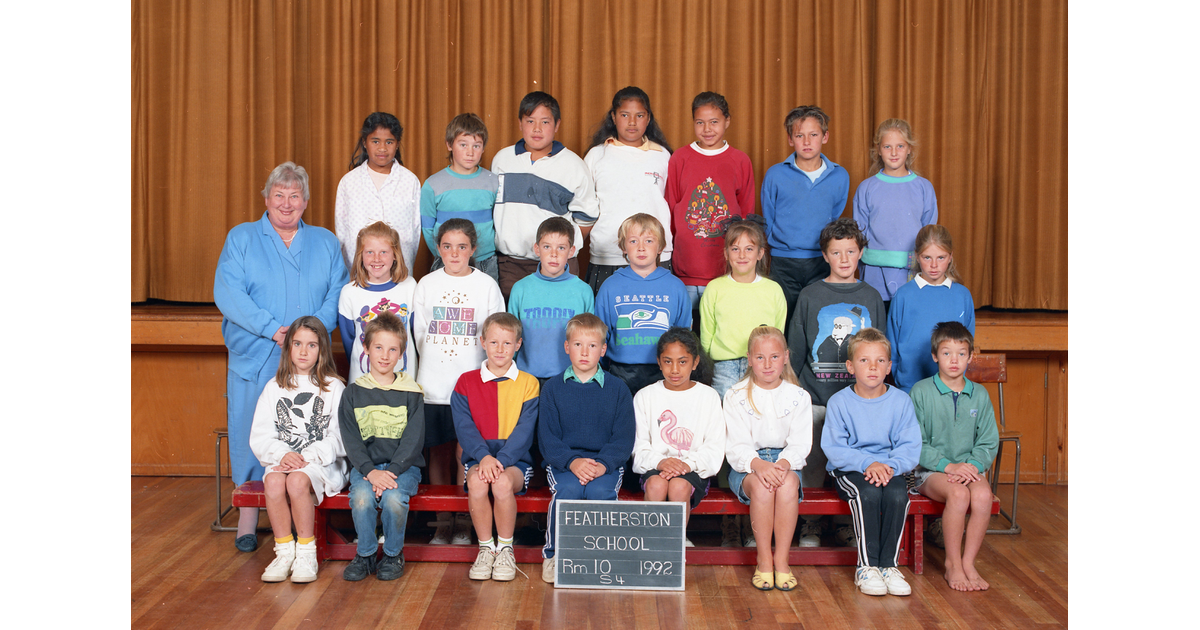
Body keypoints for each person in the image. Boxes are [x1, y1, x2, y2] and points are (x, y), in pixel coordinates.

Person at [214, 161, 349, 551]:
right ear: (266, 198)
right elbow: (229, 292)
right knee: (250, 429)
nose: (286, 204)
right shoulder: (241, 238)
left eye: (294, 196)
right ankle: (250, 511)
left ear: (306, 201)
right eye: (279, 195)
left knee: (310, 428)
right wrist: (272, 329)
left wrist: (307, 334)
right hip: (258, 350)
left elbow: (336, 293)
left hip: (308, 356)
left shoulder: (324, 242)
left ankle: (304, 512)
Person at [786, 218, 885, 547]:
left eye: (851, 251)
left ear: (861, 254)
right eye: (836, 252)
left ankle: (845, 523)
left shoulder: (871, 297)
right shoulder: (810, 295)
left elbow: (881, 349)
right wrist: (798, 395)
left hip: (858, 400)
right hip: (815, 397)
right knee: (813, 465)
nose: (844, 259)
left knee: (851, 465)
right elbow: (796, 349)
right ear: (825, 255)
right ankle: (810, 524)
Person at [413, 218, 505, 544]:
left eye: (462, 247)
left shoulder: (486, 286)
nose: (454, 253)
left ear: (473, 250)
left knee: (466, 452)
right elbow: (419, 333)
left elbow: (495, 337)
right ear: (438, 249)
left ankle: (466, 518)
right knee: (437, 453)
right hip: (433, 383)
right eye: (448, 247)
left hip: (471, 387)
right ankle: (443, 521)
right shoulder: (426, 284)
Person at [822, 328, 922, 597]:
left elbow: (910, 448)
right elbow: (834, 449)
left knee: (898, 493)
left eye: (880, 361)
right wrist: (868, 463)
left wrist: (889, 466)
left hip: (889, 468)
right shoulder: (839, 402)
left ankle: (889, 565)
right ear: (850, 366)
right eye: (864, 360)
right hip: (850, 468)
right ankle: (866, 566)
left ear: (889, 367)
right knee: (867, 493)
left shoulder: (901, 401)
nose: (873, 367)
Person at [538, 313, 636, 584]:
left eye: (592, 346)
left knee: (600, 491)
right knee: (567, 490)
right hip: (565, 463)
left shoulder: (618, 389)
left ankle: (604, 556)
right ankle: (554, 555)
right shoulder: (553, 388)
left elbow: (624, 438)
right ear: (567, 347)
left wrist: (603, 464)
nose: (585, 352)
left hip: (604, 463)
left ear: (603, 350)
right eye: (578, 344)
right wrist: (572, 462)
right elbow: (548, 438)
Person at [250, 316, 347, 583]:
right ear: (288, 348)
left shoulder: (332, 386)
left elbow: (340, 436)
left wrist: (307, 456)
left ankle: (306, 552)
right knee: (272, 482)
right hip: (285, 459)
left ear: (322, 350)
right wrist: (283, 455)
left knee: (296, 482)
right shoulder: (274, 388)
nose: (304, 351)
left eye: (312, 345)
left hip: (322, 463)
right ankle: (284, 552)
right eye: (297, 344)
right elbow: (260, 435)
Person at [450, 313, 540, 581]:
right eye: (494, 342)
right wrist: (483, 458)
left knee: (500, 484)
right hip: (479, 459)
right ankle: (486, 549)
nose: (500, 349)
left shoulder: (529, 383)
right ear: (482, 342)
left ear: (518, 345)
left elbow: (525, 431)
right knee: (478, 483)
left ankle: (505, 550)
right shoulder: (465, 382)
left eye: (507, 343)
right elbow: (464, 428)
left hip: (514, 462)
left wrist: (500, 460)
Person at [910, 322, 999, 592]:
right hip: (931, 471)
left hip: (969, 469)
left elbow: (988, 441)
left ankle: (969, 562)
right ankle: (952, 564)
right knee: (959, 495)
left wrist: (971, 466)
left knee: (983, 495)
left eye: (961, 354)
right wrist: (948, 466)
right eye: (947, 353)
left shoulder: (980, 395)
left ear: (970, 357)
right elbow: (915, 442)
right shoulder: (921, 391)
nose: (954, 360)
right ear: (935, 356)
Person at [724, 326, 813, 592]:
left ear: (786, 356)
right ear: (749, 358)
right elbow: (736, 444)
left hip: (787, 462)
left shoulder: (799, 397)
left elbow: (800, 443)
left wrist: (782, 464)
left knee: (786, 486)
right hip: (748, 464)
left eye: (774, 356)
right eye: (760, 357)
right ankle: (764, 560)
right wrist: (759, 465)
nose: (767, 364)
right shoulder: (735, 395)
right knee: (763, 488)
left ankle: (782, 561)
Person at [338, 312, 426, 582]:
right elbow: (350, 439)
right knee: (362, 498)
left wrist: (394, 471)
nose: (385, 355)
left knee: (393, 499)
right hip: (366, 468)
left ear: (401, 353)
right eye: (378, 347)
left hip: (404, 468)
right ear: (365, 348)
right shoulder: (353, 393)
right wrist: (370, 471)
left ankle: (391, 554)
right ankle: (364, 555)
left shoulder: (411, 392)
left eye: (392, 349)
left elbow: (413, 439)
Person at [491, 91, 598, 298]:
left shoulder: (573, 165)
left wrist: (560, 248)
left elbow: (587, 216)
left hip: (556, 265)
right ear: (520, 123)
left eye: (545, 122)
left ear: (557, 125)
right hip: (510, 265)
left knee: (556, 323)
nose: (537, 129)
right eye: (530, 121)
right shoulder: (502, 160)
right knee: (512, 325)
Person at [761, 106, 851, 328]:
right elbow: (768, 216)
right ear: (791, 140)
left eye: (814, 135)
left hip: (821, 261)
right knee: (784, 322)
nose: (807, 142)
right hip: (784, 263)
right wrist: (781, 244)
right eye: (800, 136)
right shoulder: (775, 174)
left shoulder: (839, 175)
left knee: (818, 322)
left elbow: (835, 214)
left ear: (825, 136)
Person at [666, 91, 756, 313]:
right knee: (684, 331)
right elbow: (670, 207)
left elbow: (746, 213)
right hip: (685, 266)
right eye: (700, 122)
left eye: (714, 122)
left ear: (727, 121)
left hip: (724, 270)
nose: (707, 129)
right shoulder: (680, 158)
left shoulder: (740, 160)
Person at [632, 328, 722, 547]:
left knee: (679, 486)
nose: (675, 369)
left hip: (692, 468)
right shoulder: (645, 396)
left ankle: (674, 542)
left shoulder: (708, 397)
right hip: (656, 466)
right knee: (656, 485)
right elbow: (639, 446)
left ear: (695, 362)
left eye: (682, 362)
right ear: (659, 362)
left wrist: (684, 464)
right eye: (668, 361)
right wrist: (661, 462)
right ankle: (650, 544)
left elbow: (714, 448)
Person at [583, 86, 674, 291]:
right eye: (625, 115)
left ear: (648, 118)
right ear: (614, 117)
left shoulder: (663, 156)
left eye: (639, 115)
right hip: (608, 254)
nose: (632, 122)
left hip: (655, 254)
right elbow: (584, 206)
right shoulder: (597, 155)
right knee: (608, 319)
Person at [595, 214, 691, 396]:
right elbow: (600, 335)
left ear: (661, 246)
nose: (641, 248)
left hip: (664, 371)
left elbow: (683, 335)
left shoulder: (675, 286)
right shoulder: (610, 286)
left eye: (648, 240)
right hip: (621, 372)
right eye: (633, 241)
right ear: (623, 247)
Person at [699, 218, 786, 399]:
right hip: (723, 367)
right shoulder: (715, 289)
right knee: (725, 420)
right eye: (735, 249)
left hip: (762, 366)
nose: (742, 255)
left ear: (760, 253)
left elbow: (778, 333)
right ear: (726, 253)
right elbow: (707, 334)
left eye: (749, 249)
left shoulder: (773, 290)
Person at [852, 118, 938, 304]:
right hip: (874, 270)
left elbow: (928, 233)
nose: (893, 152)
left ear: (909, 149)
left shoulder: (923, 187)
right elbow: (859, 233)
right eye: (887, 147)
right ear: (878, 150)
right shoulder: (866, 187)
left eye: (900, 146)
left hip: (911, 270)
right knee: (877, 328)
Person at [887, 224, 976, 392]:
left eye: (941, 258)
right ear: (917, 257)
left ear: (950, 257)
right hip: (909, 388)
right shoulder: (903, 296)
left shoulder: (962, 296)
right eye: (927, 257)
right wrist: (901, 380)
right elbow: (891, 344)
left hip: (950, 388)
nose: (934, 265)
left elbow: (967, 343)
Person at [507, 217, 595, 380]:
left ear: (571, 251)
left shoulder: (583, 291)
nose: (553, 254)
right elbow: (511, 337)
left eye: (561, 248)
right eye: (547, 247)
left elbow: (592, 339)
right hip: (526, 378)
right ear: (537, 249)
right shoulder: (521, 289)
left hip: (569, 378)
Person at [335, 112, 422, 274]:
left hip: (399, 271)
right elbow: (341, 232)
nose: (382, 148)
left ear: (397, 144)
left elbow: (415, 230)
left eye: (389, 142)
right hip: (359, 272)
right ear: (365, 143)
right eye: (375, 141)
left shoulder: (410, 181)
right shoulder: (348, 182)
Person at [420, 113, 500, 283]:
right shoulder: (433, 184)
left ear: (483, 148)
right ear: (449, 144)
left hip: (484, 260)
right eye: (463, 145)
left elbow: (499, 221)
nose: (470, 152)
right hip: (446, 262)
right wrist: (444, 254)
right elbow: (427, 229)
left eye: (476, 146)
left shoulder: (493, 182)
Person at [337, 221, 418, 383]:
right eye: (369, 252)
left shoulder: (410, 286)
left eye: (383, 252)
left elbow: (416, 335)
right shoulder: (349, 292)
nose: (376, 259)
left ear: (395, 255)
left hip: (404, 381)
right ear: (360, 255)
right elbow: (349, 341)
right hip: (363, 381)